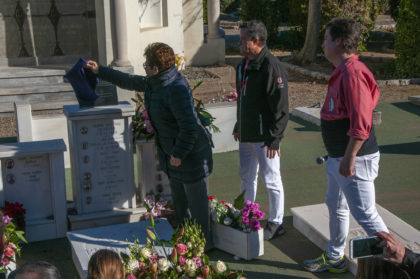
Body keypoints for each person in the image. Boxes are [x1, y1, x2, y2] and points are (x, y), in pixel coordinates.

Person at [85, 43, 213, 245]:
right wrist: (100, 70)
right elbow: (129, 81)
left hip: (191, 155)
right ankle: (184, 242)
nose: (143, 67)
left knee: (197, 207)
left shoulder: (176, 88)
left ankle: (205, 247)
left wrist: (178, 153)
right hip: (173, 153)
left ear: (155, 68)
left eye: (146, 64)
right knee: (180, 203)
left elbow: (189, 126)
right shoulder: (156, 82)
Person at [302, 18, 389, 273]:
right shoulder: (343, 71)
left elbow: (362, 123)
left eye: (327, 39)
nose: (324, 44)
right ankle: (335, 256)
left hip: (355, 160)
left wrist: (349, 157)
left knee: (365, 214)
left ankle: (401, 264)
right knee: (336, 206)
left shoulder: (353, 73)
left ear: (339, 41)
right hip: (339, 159)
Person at [232, 20, 289, 241]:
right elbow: (243, 101)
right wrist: (239, 124)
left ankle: (276, 222)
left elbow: (281, 108)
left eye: (242, 39)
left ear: (255, 41)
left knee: (271, 179)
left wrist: (275, 139)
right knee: (246, 176)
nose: (239, 43)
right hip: (247, 135)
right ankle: (248, 215)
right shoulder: (242, 65)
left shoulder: (272, 67)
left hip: (265, 138)